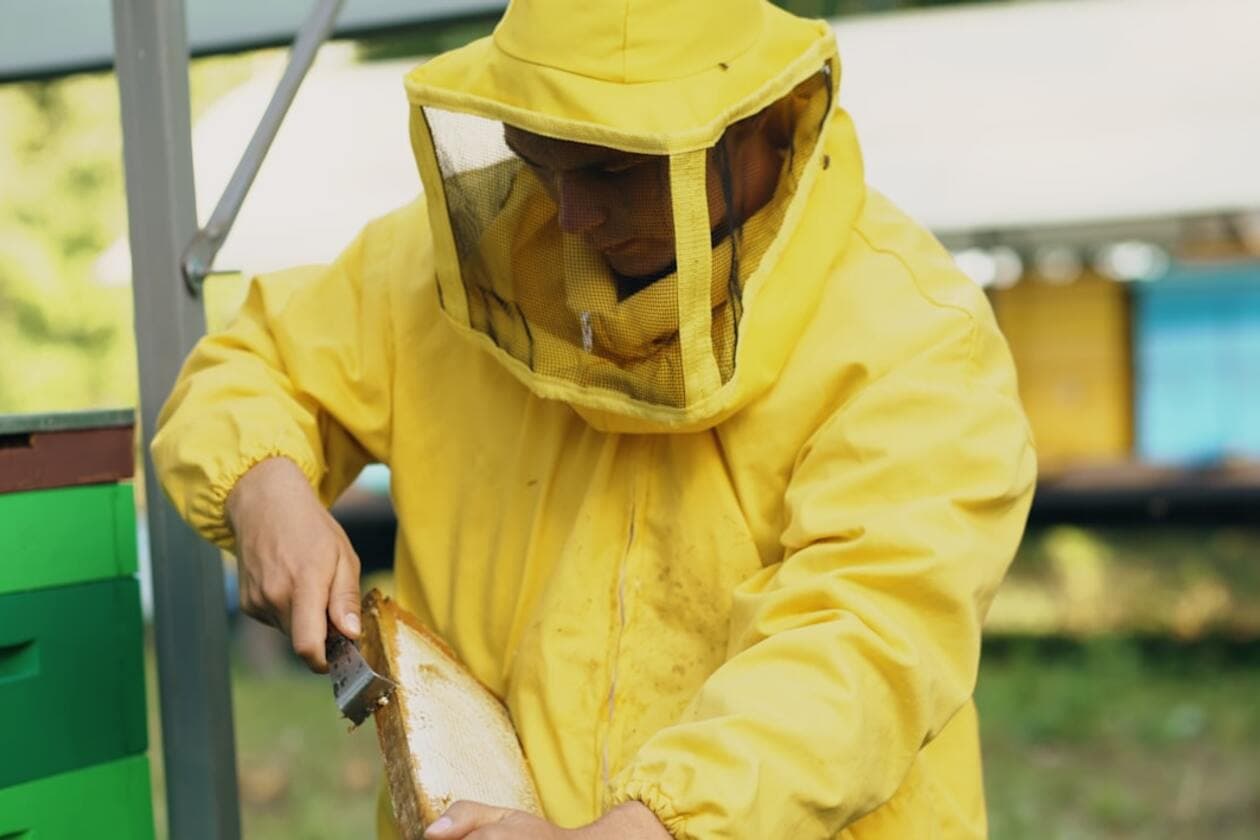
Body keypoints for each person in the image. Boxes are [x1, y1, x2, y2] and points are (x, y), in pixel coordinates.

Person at [152, 1, 1036, 838]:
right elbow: (251, 367)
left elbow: (867, 642)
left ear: (763, 122)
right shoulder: (446, 265)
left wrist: (654, 823)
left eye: (613, 168)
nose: (571, 216)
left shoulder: (915, 334)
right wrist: (262, 486)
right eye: (541, 160)